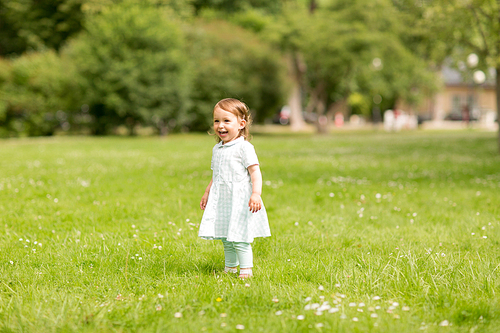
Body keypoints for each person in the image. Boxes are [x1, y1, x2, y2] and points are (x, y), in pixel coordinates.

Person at [199, 98, 271, 279]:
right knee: (225, 236)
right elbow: (217, 174)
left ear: (241, 124)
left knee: (239, 236)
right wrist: (208, 192)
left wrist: (256, 194)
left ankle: (246, 270)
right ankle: (230, 267)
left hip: (239, 200)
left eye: (226, 121)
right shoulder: (218, 149)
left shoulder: (244, 147)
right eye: (217, 121)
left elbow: (255, 172)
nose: (220, 125)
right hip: (223, 199)